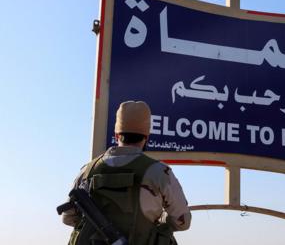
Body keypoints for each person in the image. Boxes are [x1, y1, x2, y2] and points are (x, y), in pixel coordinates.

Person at [61, 101, 191, 245]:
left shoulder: (87, 171)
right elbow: (182, 222)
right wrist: (160, 218)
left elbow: (68, 217)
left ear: (116, 135)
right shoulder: (159, 172)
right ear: (147, 136)